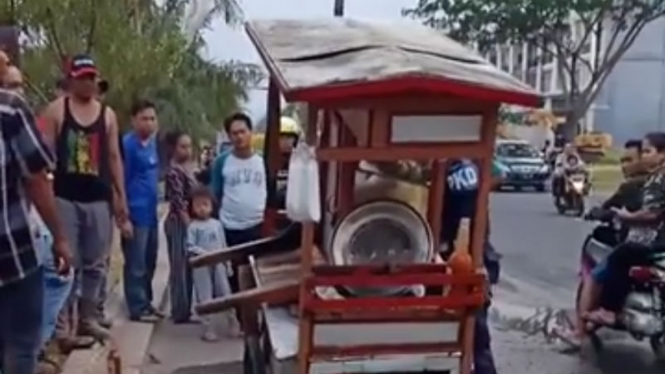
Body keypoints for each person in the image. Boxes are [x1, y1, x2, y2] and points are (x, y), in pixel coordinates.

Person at [41, 54, 131, 341]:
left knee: (95, 262)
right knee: (68, 261)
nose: (89, 83)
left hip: (98, 198)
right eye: (83, 78)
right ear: (72, 79)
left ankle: (89, 317)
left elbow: (114, 157)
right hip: (65, 197)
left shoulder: (107, 115)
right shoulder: (56, 111)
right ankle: (62, 326)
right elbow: (42, 156)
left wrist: (120, 197)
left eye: (93, 77)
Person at [0, 64, 72, 374]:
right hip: (13, 256)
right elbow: (37, 178)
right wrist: (61, 237)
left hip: (15, 252)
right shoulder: (10, 111)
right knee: (20, 350)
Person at [557, 139, 647, 347]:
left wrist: (604, 213)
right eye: (623, 160)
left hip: (640, 243)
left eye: (630, 160)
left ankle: (579, 332)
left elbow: (610, 208)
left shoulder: (633, 185)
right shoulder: (564, 159)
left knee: (596, 275)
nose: (624, 165)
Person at [588, 132, 665, 326]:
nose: (644, 156)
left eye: (648, 151)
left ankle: (609, 310)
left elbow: (652, 215)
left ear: (662, 154)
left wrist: (626, 216)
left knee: (619, 257)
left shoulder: (657, 179)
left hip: (657, 243)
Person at [440, 159, 505, 374]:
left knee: (474, 329)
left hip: (463, 252)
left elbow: (500, 174)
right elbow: (500, 174)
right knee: (475, 332)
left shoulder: (462, 166)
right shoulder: (474, 162)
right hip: (468, 252)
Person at [121, 99, 163, 322]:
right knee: (135, 263)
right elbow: (120, 180)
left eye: (152, 118)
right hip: (134, 214)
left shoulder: (154, 145)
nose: (149, 123)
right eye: (144, 118)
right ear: (134, 120)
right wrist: (123, 216)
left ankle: (147, 302)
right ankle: (136, 308)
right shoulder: (127, 146)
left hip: (151, 212)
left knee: (149, 260)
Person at [186, 186, 241, 341]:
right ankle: (208, 328)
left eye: (205, 204)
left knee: (225, 293)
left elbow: (223, 245)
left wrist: (228, 263)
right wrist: (204, 254)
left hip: (219, 263)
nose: (202, 209)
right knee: (205, 296)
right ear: (192, 208)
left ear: (212, 205)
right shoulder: (193, 227)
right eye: (198, 205)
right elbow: (190, 247)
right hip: (201, 266)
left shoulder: (217, 224)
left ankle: (233, 322)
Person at [211, 113, 267, 248]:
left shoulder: (263, 161)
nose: (239, 137)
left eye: (243, 132)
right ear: (229, 137)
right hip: (229, 228)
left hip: (258, 227)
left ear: (250, 132)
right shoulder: (221, 162)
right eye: (234, 133)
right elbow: (214, 194)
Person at [164, 131, 196, 323]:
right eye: (183, 146)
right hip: (178, 223)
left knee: (188, 266)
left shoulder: (188, 169)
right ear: (174, 148)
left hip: (188, 221)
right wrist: (188, 224)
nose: (187, 150)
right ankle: (179, 311)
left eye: (189, 146)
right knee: (179, 267)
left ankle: (186, 309)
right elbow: (178, 201)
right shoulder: (173, 171)